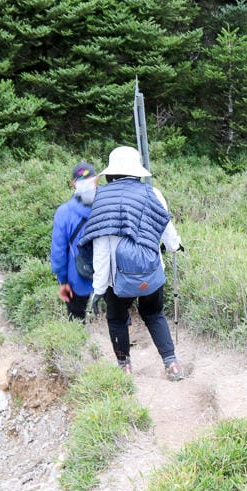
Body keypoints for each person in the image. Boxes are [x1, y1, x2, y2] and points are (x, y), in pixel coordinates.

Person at [80, 146, 185, 380]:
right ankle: (172, 364)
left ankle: (125, 368)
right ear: (137, 170)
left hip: (116, 277)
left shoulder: (100, 198)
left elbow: (101, 248)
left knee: (116, 319)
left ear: (111, 173)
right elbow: (166, 228)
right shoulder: (153, 193)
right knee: (154, 314)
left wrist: (98, 289)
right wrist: (174, 245)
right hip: (150, 270)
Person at [50, 161, 98, 320]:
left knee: (76, 319)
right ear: (96, 180)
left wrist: (63, 280)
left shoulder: (64, 212)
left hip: (77, 275)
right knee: (117, 320)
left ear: (73, 183)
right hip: (108, 273)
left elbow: (58, 251)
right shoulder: (107, 207)